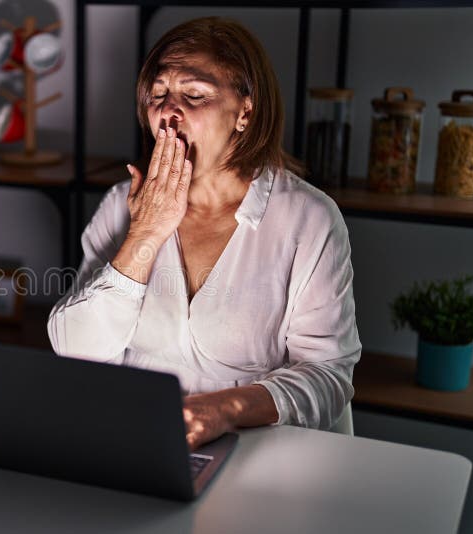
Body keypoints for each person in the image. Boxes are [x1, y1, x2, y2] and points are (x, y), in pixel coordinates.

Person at [47, 17, 361, 450]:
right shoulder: (124, 203)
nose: (167, 111)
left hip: (257, 450)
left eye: (194, 95)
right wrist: (145, 234)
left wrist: (222, 410)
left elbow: (327, 376)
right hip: (132, 440)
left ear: (245, 113)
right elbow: (74, 349)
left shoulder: (309, 220)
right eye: (158, 94)